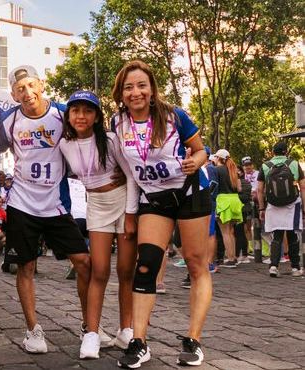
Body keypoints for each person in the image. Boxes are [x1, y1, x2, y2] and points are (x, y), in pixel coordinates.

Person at [111, 60, 212, 368]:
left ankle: (193, 340)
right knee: (147, 266)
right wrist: (130, 213)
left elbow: (201, 150)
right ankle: (139, 342)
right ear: (121, 92)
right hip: (153, 198)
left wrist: (197, 160)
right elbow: (129, 172)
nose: (135, 92)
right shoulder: (118, 123)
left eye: (141, 85)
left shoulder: (174, 116)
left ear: (152, 89)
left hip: (190, 192)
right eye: (129, 87)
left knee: (195, 264)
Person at [0, 65, 91, 354]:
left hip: (56, 204)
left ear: (41, 84)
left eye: (30, 85)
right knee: (25, 266)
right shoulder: (8, 121)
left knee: (84, 262)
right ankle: (33, 330)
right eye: (20, 89)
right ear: (14, 94)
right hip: (22, 204)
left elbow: (90, 138)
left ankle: (90, 327)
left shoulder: (63, 113)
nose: (26, 92)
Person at [58, 90, 138, 358]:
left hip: (123, 199)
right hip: (96, 206)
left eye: (88, 111)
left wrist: (130, 213)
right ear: (68, 116)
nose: (81, 116)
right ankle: (91, 333)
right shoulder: (65, 145)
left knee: (126, 270)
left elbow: (131, 177)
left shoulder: (111, 140)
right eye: (75, 111)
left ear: (96, 116)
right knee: (99, 270)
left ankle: (126, 329)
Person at [257, 141, 304, 277]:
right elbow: (303, 187)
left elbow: (260, 190)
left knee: (276, 236)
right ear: (286, 151)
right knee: (292, 235)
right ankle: (295, 267)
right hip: (292, 204)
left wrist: (261, 209)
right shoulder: (294, 164)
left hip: (273, 205)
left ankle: (273, 266)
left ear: (273, 152)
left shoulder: (265, 166)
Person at [213, 149, 243, 267]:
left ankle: (230, 259)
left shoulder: (216, 170)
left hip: (223, 201)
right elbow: (239, 188)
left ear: (219, 158)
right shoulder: (233, 170)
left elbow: (213, 186)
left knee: (225, 232)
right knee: (231, 232)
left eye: (215, 157)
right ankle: (233, 257)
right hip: (235, 200)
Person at [235, 168, 252, 263]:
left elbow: (245, 197)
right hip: (241, 209)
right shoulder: (243, 182)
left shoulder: (244, 183)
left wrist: (234, 196)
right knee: (239, 233)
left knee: (239, 233)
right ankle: (240, 254)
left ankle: (241, 255)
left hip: (242, 210)